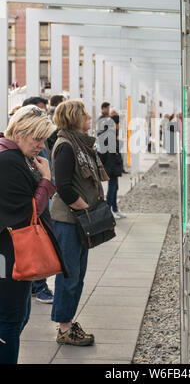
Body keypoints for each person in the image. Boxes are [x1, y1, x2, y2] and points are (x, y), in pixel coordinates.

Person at [0, 105, 66, 364]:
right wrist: (47, 181)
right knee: (11, 320)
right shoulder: (9, 161)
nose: (41, 144)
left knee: (17, 316)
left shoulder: (14, 157)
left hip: (13, 251)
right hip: (11, 252)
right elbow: (28, 212)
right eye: (36, 138)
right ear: (18, 132)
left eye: (43, 138)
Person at [50, 99, 108, 346]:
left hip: (76, 220)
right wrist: (85, 207)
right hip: (69, 220)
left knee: (78, 273)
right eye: (84, 113)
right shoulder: (66, 146)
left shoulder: (80, 144)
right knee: (70, 274)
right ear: (74, 117)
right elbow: (62, 185)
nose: (88, 117)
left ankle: (68, 323)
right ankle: (64, 328)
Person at [22, 96, 54, 303]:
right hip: (32, 207)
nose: (40, 144)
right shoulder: (13, 157)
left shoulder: (36, 145)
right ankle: (39, 286)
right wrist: (46, 180)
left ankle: (37, 285)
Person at [99, 112, 126, 220]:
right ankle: (109, 209)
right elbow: (112, 148)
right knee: (112, 188)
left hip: (113, 164)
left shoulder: (110, 133)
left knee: (115, 187)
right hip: (111, 165)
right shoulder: (109, 134)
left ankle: (114, 208)